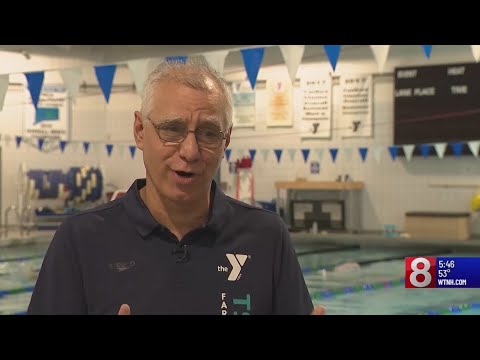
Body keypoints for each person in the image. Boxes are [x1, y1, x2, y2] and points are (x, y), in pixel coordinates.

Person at [27, 58, 324, 315]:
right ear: (140, 131)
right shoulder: (80, 241)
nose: (190, 151)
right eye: (172, 129)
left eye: (209, 133)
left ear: (226, 141)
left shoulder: (266, 237)